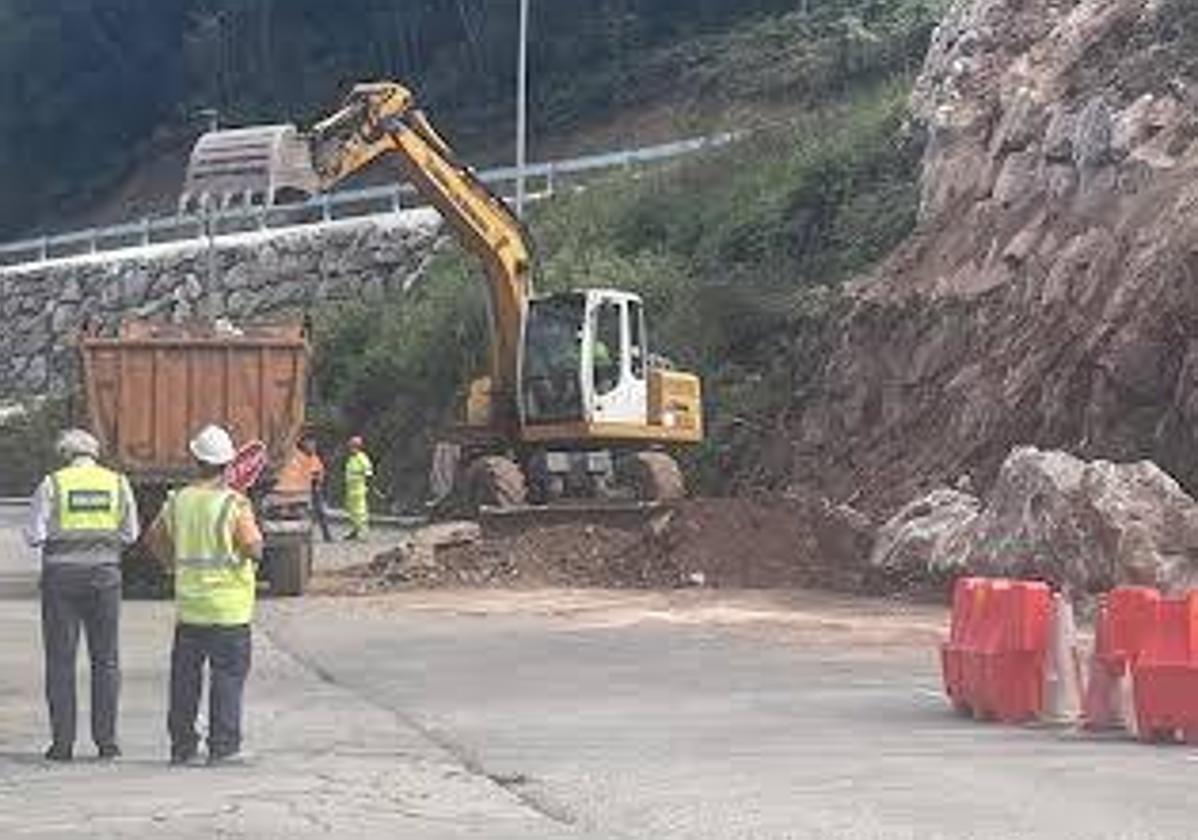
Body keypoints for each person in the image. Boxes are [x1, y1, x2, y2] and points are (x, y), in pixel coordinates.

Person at [146, 424, 263, 766]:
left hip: (190, 610)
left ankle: (182, 747)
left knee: (185, 681)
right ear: (228, 465)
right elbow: (254, 549)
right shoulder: (234, 504)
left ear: (195, 460)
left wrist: (173, 565)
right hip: (229, 611)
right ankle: (223, 747)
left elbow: (153, 540)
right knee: (227, 679)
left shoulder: (178, 501)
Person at [24, 428, 139, 762]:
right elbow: (130, 533)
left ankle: (62, 744)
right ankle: (106, 742)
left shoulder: (53, 484)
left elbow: (34, 535)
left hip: (61, 581)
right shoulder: (117, 483)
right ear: (95, 453)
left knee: (61, 662)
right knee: (106, 660)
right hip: (105, 579)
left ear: (65, 454)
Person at [275, 434, 332, 543]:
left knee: (320, 512)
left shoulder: (314, 457)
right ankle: (303, 535)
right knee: (303, 513)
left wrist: (319, 480)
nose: (313, 446)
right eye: (310, 443)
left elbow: (319, 470)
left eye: (314, 443)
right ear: (303, 443)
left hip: (314, 488)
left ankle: (326, 535)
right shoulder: (297, 456)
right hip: (301, 489)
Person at [344, 436, 374, 540]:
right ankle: (355, 530)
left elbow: (368, 472)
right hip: (350, 489)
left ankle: (364, 532)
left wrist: (367, 481)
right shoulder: (352, 458)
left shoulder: (362, 458)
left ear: (358, 447)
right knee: (352, 511)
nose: (351, 448)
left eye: (353, 446)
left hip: (359, 489)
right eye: (350, 446)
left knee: (360, 511)